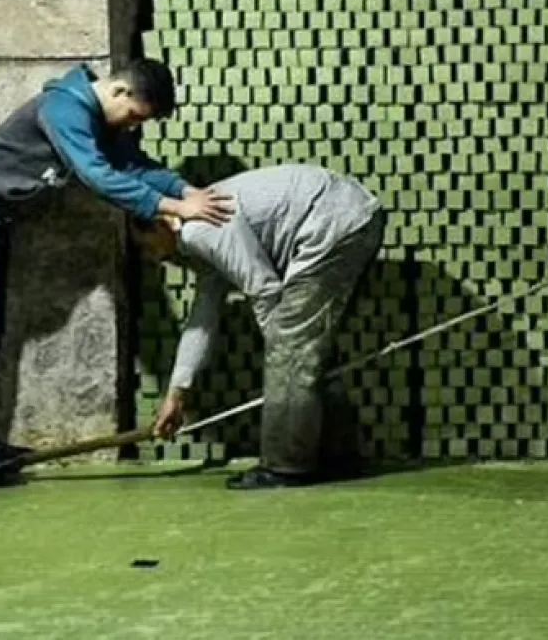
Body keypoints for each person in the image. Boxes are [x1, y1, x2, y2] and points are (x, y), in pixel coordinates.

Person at [0, 60, 231, 483]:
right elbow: (96, 175)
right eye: (135, 117)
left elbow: (134, 166)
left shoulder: (103, 123)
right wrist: (176, 209)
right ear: (120, 92)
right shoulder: (64, 109)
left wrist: (186, 190)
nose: (131, 127)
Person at [133, 163, 387, 490]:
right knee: (305, 349)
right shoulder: (198, 233)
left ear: (162, 222)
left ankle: (286, 467)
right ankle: (336, 455)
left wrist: (283, 355)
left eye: (146, 245)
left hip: (335, 222)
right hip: (351, 216)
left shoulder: (200, 229)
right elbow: (203, 319)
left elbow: (264, 289)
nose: (153, 258)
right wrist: (177, 394)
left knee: (292, 348)